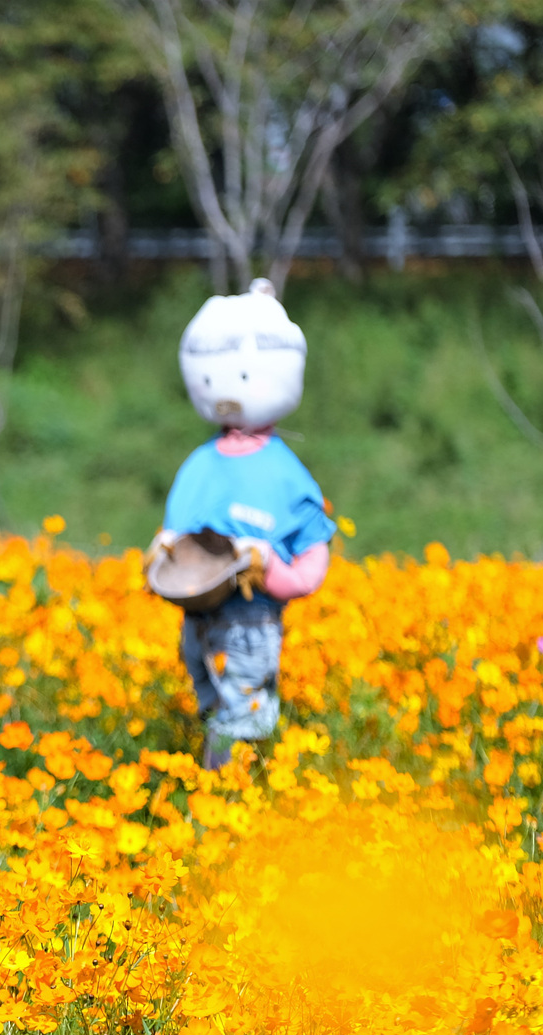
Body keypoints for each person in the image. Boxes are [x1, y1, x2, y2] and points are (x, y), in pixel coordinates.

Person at [153, 279, 335, 770]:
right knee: (232, 709)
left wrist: (276, 568)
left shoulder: (209, 465)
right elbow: (310, 556)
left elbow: (172, 546)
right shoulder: (258, 468)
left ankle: (220, 781)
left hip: (219, 617)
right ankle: (227, 785)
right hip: (226, 618)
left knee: (227, 706)